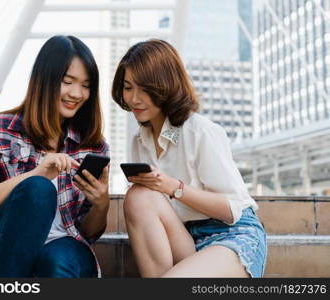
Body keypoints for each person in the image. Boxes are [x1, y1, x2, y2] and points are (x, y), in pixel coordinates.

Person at [0, 35, 110, 278]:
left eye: (86, 85)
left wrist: (101, 205)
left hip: (63, 247)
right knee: (38, 188)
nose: (77, 93)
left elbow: (88, 233)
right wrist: (37, 174)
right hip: (0, 252)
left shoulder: (93, 145)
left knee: (58, 261)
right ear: (44, 80)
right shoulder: (1, 128)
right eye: (67, 81)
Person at [111, 39, 267, 278]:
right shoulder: (139, 140)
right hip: (185, 237)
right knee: (138, 195)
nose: (134, 98)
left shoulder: (199, 131)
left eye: (144, 88)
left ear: (166, 86)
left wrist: (174, 187)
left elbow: (231, 209)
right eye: (128, 87)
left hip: (230, 235)